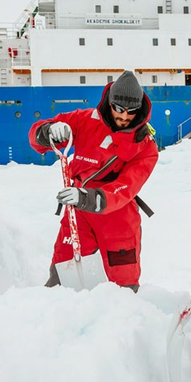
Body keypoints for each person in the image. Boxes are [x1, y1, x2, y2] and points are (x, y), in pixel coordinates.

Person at [28, 70, 158, 292]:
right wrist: (48, 130)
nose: (124, 116)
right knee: (63, 271)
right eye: (119, 109)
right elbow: (36, 139)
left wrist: (89, 198)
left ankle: (125, 319)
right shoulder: (85, 120)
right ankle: (55, 314)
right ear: (110, 103)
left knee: (124, 282)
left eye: (131, 112)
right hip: (78, 210)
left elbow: (127, 187)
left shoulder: (146, 147)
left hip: (117, 215)